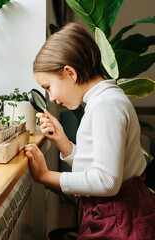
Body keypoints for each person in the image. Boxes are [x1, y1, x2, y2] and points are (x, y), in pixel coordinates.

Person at [24, 22, 155, 239]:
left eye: (48, 87)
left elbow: (106, 181)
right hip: (111, 215)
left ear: (70, 73)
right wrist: (63, 141)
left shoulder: (106, 106)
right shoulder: (101, 101)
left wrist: (46, 176)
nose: (52, 97)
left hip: (121, 221)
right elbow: (101, 167)